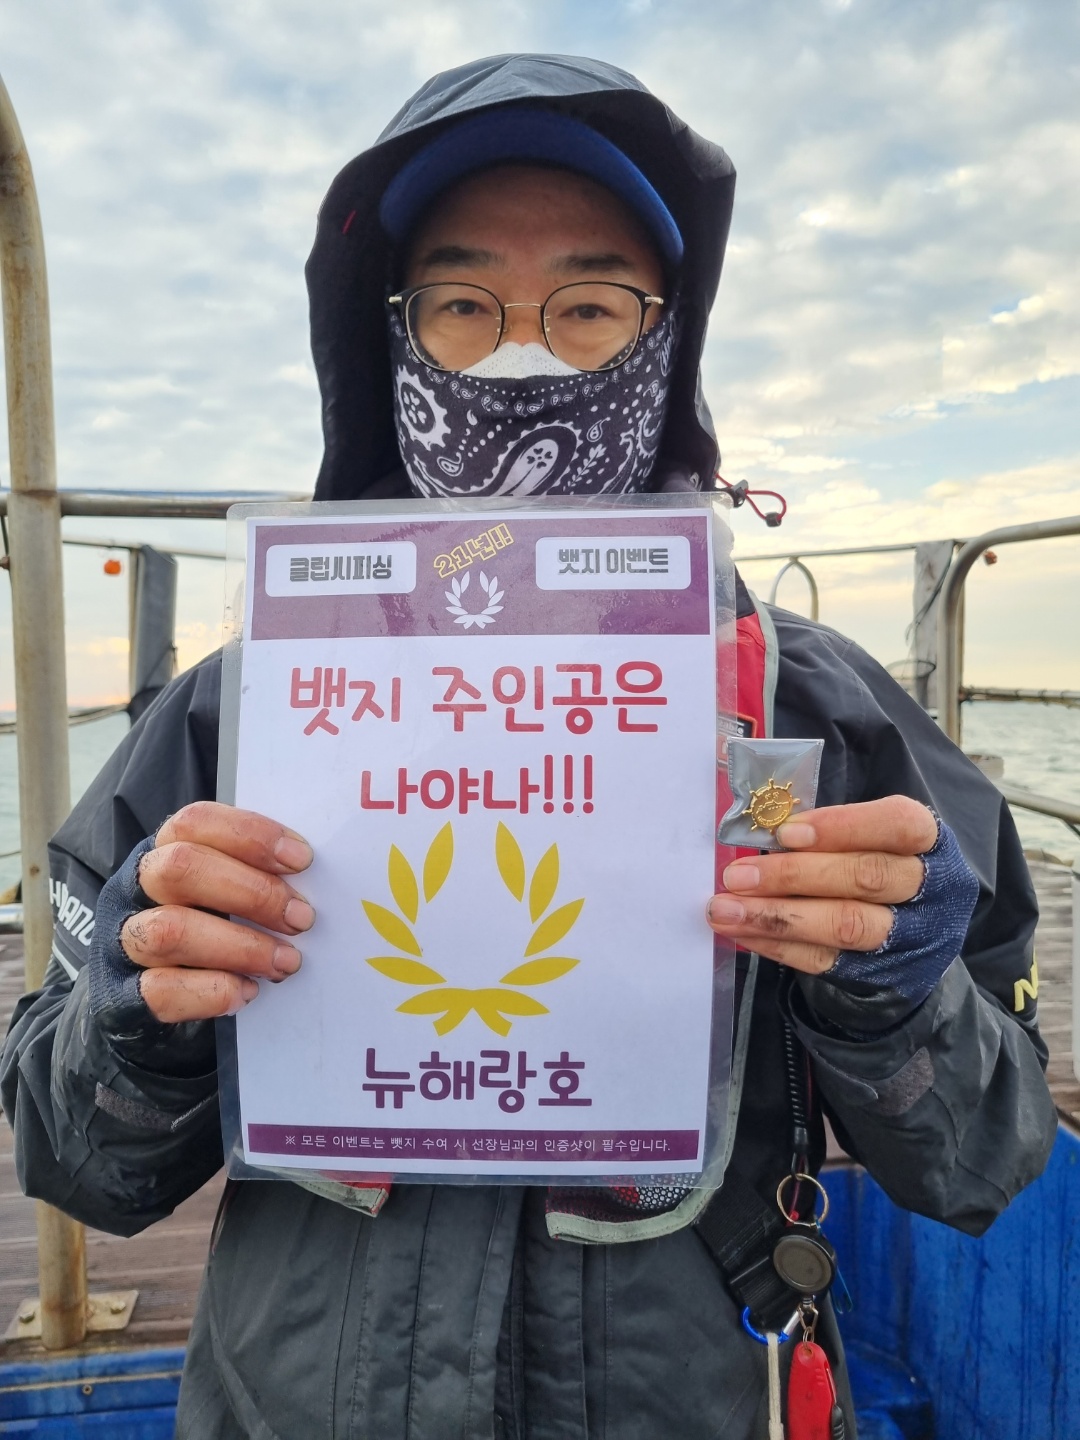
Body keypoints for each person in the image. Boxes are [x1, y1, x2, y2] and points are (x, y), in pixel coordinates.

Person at [1, 54, 1056, 1440]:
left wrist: (896, 1001)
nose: (522, 355)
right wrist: (136, 1014)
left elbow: (984, 1159)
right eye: (461, 306)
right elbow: (74, 1157)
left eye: (588, 308)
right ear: (391, 343)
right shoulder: (237, 716)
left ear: (665, 346)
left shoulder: (820, 713)